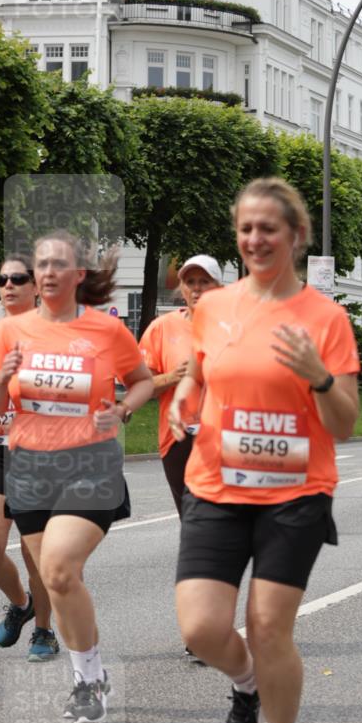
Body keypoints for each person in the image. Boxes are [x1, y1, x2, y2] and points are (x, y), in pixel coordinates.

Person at [169, 178, 359, 723]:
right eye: (246, 229)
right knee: (200, 629)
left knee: (271, 625)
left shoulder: (324, 318)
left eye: (268, 228)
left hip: (296, 492)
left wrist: (321, 379)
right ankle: (246, 683)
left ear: (295, 236)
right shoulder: (214, 308)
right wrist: (181, 397)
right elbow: (199, 372)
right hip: (215, 484)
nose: (255, 239)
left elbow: (348, 424)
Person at [0, 230, 154, 723]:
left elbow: (141, 379)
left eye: (60, 264)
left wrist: (122, 408)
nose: (49, 272)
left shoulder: (104, 330)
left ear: (80, 274)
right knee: (59, 583)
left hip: (90, 466)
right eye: (42, 265)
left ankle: (87, 680)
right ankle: (90, 676)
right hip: (30, 469)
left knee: (57, 569)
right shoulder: (8, 333)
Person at [139, 253, 223, 665]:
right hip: (179, 443)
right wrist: (172, 378)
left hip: (227, 442)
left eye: (204, 281)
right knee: (197, 533)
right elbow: (137, 385)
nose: (195, 288)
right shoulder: (162, 329)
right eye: (190, 281)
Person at [0, 255, 57, 660]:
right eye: (3, 278)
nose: (8, 284)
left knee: (32, 551)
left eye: (18, 278)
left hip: (38, 454)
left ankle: (44, 630)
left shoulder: (51, 334)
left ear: (36, 287)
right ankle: (22, 603)